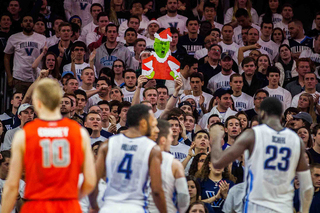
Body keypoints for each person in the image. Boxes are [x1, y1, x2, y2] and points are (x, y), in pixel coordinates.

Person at [1, 78, 96, 213]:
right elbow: (90, 181)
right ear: (59, 100)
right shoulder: (79, 132)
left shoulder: (24, 134)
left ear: (37, 102)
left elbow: (11, 185)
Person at [210, 97, 314, 213]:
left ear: (262, 114)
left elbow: (217, 162)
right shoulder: (295, 140)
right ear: (281, 116)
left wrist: (216, 138)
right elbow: (307, 187)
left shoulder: (253, 135)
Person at [89, 104, 167, 213]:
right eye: (152, 120)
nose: (155, 125)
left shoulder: (108, 144)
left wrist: (94, 206)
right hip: (136, 208)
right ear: (144, 123)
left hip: (109, 207)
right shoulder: (152, 149)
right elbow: (157, 191)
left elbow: (93, 182)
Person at [148, 119, 189, 213]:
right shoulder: (174, 164)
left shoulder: (140, 158)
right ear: (163, 140)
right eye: (170, 136)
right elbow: (183, 195)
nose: (171, 139)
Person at [4, 15, 46, 92]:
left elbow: (45, 58)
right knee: (19, 102)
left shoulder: (42, 38)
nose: (28, 23)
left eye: (30, 21)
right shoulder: (13, 38)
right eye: (25, 21)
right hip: (19, 77)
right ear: (21, 24)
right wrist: (9, 77)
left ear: (33, 24)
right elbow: (6, 57)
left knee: (36, 103)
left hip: (36, 77)